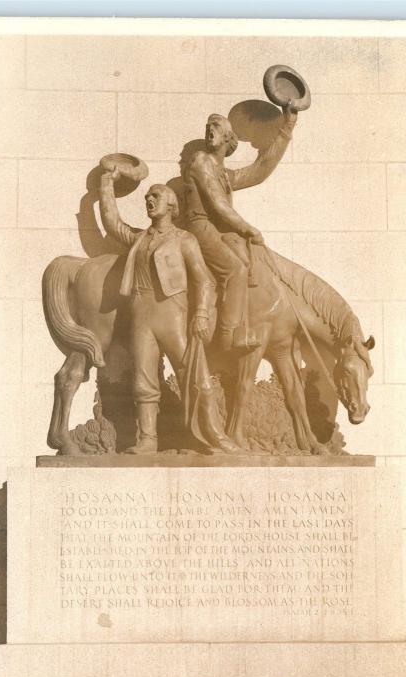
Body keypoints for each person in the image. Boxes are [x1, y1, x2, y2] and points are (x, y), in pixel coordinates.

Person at [98, 170, 240, 455]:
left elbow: (203, 279)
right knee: (143, 377)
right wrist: (106, 185)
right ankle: (147, 439)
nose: (149, 199)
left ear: (172, 206)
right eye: (147, 197)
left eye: (156, 196)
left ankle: (214, 435)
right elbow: (113, 224)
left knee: (194, 372)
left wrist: (200, 313)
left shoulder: (184, 239)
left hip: (172, 313)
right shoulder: (139, 239)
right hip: (141, 312)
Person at [183, 106, 297, 351]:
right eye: (207, 127)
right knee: (236, 270)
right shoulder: (201, 161)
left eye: (215, 126)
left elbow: (259, 171)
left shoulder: (223, 173)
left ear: (227, 138)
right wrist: (249, 229)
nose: (209, 130)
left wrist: (286, 128)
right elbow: (218, 204)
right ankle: (228, 337)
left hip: (214, 230)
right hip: (200, 226)